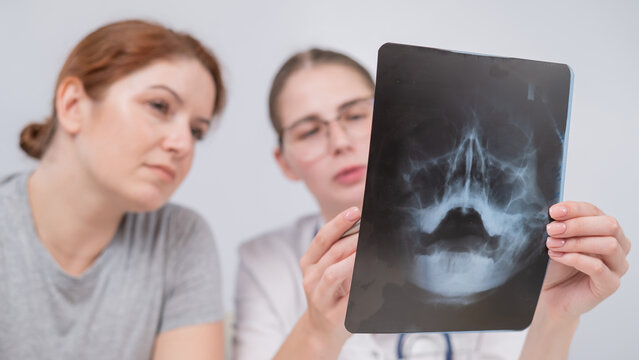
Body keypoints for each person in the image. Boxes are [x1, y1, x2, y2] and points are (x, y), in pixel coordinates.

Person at [233, 48, 631, 359]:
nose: (339, 141)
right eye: (309, 131)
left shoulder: (530, 256)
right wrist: (317, 334)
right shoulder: (264, 260)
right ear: (284, 161)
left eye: (354, 115)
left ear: (392, 120)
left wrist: (556, 317)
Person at [0, 20, 226, 359]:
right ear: (73, 105)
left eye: (196, 131)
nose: (182, 144)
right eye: (159, 106)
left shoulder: (180, 238)